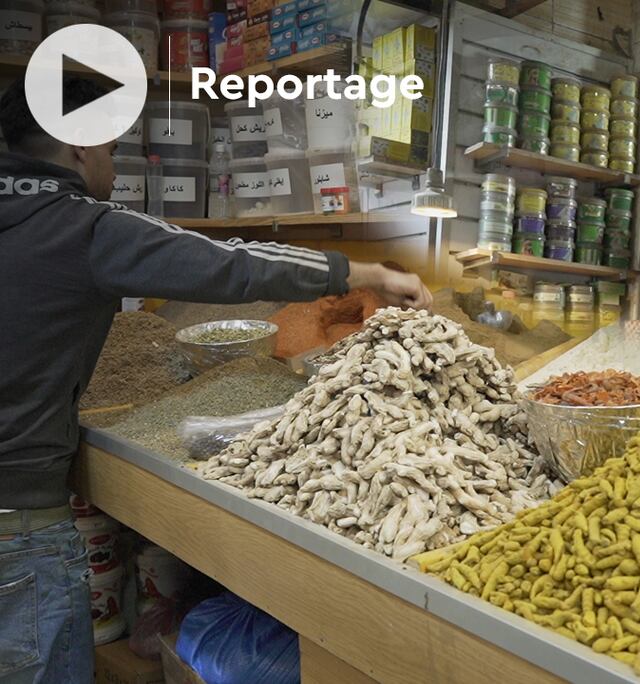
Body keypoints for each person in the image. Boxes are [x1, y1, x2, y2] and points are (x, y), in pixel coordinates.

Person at [0, 77, 432, 683]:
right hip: (15, 523)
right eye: (110, 150)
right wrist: (365, 273)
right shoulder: (83, 226)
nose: (112, 164)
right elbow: (226, 263)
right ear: (78, 146)